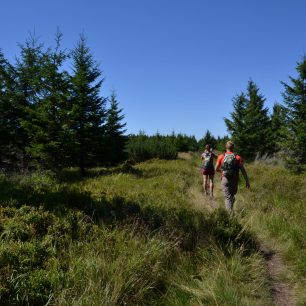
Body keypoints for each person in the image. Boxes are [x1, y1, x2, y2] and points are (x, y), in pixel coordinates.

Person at [215, 141, 250, 213]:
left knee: (228, 198)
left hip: (225, 179)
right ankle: (231, 212)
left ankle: (230, 217)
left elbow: (216, 169)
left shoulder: (221, 157)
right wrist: (247, 181)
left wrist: (222, 171)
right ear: (233, 148)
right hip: (235, 179)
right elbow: (243, 170)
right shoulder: (238, 157)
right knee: (232, 196)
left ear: (226, 147)